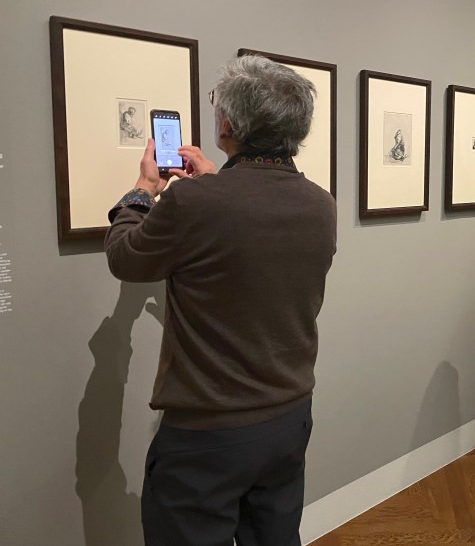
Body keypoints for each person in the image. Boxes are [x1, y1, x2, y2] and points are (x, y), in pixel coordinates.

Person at [105, 55, 337, 546]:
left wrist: (142, 190)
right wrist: (215, 180)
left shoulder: (194, 202)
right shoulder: (321, 203)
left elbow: (126, 258)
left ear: (229, 125)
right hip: (289, 417)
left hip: (209, 433)